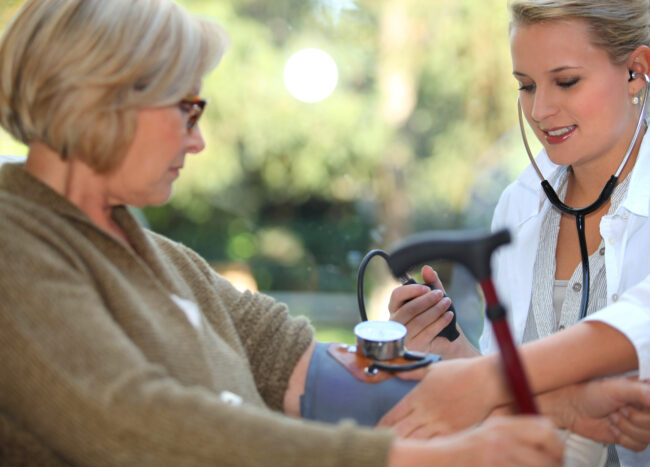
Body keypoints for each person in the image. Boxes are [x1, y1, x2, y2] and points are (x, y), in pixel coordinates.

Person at [0, 0, 580, 466]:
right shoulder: (14, 245)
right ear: (103, 100)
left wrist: (544, 397)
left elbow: (298, 363)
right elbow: (132, 424)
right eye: (187, 108)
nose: (197, 140)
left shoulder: (150, 252)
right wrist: (428, 458)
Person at [385, 0, 650, 466]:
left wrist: (481, 381)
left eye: (565, 81)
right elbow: (506, 394)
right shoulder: (519, 205)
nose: (540, 109)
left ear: (636, 70)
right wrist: (449, 350)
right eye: (525, 86)